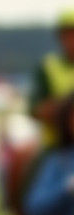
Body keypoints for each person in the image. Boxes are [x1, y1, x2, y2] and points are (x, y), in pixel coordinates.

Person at [29, 9, 74, 146]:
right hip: (56, 146)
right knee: (33, 166)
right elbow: (36, 109)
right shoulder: (48, 67)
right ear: (60, 37)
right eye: (68, 34)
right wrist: (65, 109)